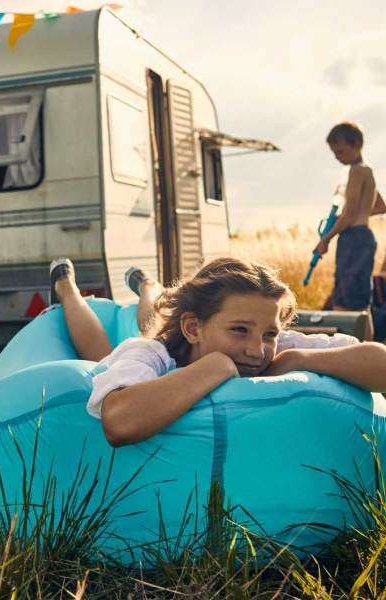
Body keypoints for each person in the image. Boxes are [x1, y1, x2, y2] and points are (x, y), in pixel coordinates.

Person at [49, 257, 386, 448]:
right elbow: (120, 423)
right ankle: (66, 287)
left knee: (157, 315)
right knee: (119, 341)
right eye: (239, 330)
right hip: (132, 351)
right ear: (193, 328)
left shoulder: (270, 347)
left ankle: (147, 284)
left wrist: (296, 359)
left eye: (269, 333)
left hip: (182, 331)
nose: (257, 349)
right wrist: (217, 366)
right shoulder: (151, 354)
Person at [314, 122, 382, 339]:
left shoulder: (356, 170)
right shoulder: (367, 171)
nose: (337, 157)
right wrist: (362, 214)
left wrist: (326, 238)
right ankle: (365, 347)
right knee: (357, 300)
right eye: (334, 153)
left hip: (354, 239)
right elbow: (380, 205)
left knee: (347, 301)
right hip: (361, 236)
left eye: (340, 151)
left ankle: (352, 349)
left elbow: (349, 213)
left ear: (357, 145)